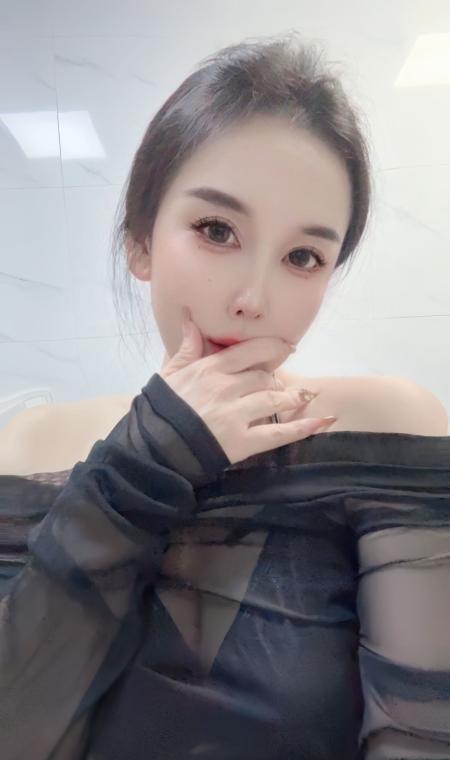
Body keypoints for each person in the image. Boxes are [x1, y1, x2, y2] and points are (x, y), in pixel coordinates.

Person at [0, 31, 449, 760]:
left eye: (303, 256)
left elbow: (424, 739)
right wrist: (141, 465)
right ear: (140, 242)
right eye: (216, 230)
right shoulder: (34, 446)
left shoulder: (388, 431)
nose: (252, 299)